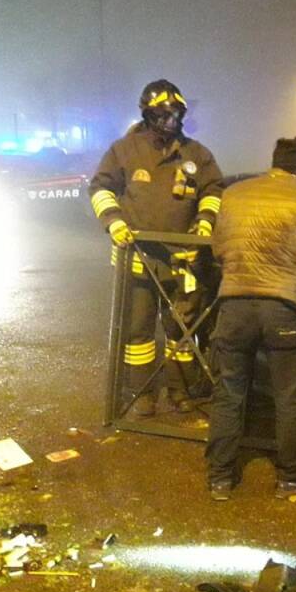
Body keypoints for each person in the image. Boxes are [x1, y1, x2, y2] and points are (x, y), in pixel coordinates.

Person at [206, 137, 296, 501]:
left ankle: (220, 478)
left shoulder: (234, 194)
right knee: (289, 398)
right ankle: (290, 479)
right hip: (280, 307)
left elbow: (218, 248)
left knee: (229, 393)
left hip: (233, 307)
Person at [89, 79, 224, 416]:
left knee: (183, 330)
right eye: (163, 114)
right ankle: (141, 393)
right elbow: (100, 188)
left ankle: (182, 391)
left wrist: (206, 221)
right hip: (139, 260)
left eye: (176, 113)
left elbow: (213, 190)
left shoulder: (196, 154)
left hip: (184, 259)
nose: (171, 120)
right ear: (148, 114)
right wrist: (114, 222)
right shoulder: (125, 151)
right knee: (139, 334)